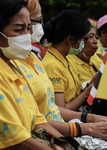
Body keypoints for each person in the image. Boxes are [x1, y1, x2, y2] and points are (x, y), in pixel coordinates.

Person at [10, 0, 107, 142]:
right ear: (70, 39)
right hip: (62, 127)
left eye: (29, 26)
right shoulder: (51, 64)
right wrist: (88, 117)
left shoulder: (52, 58)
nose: (92, 41)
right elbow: (54, 110)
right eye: (85, 38)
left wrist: (89, 85)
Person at [0, 0, 64, 149]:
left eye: (29, 28)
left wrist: (68, 145)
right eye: (18, 30)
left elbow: (38, 121)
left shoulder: (13, 67)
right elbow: (17, 140)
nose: (27, 35)